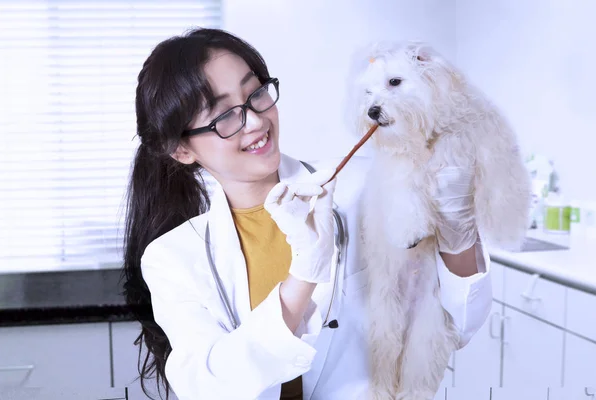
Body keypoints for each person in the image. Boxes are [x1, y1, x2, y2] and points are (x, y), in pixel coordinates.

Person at [122, 27, 492, 400]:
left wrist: (458, 234)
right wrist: (303, 275)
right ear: (182, 150)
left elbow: (456, 325)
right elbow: (209, 388)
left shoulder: (365, 186)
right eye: (223, 116)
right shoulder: (173, 258)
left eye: (255, 94)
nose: (254, 121)